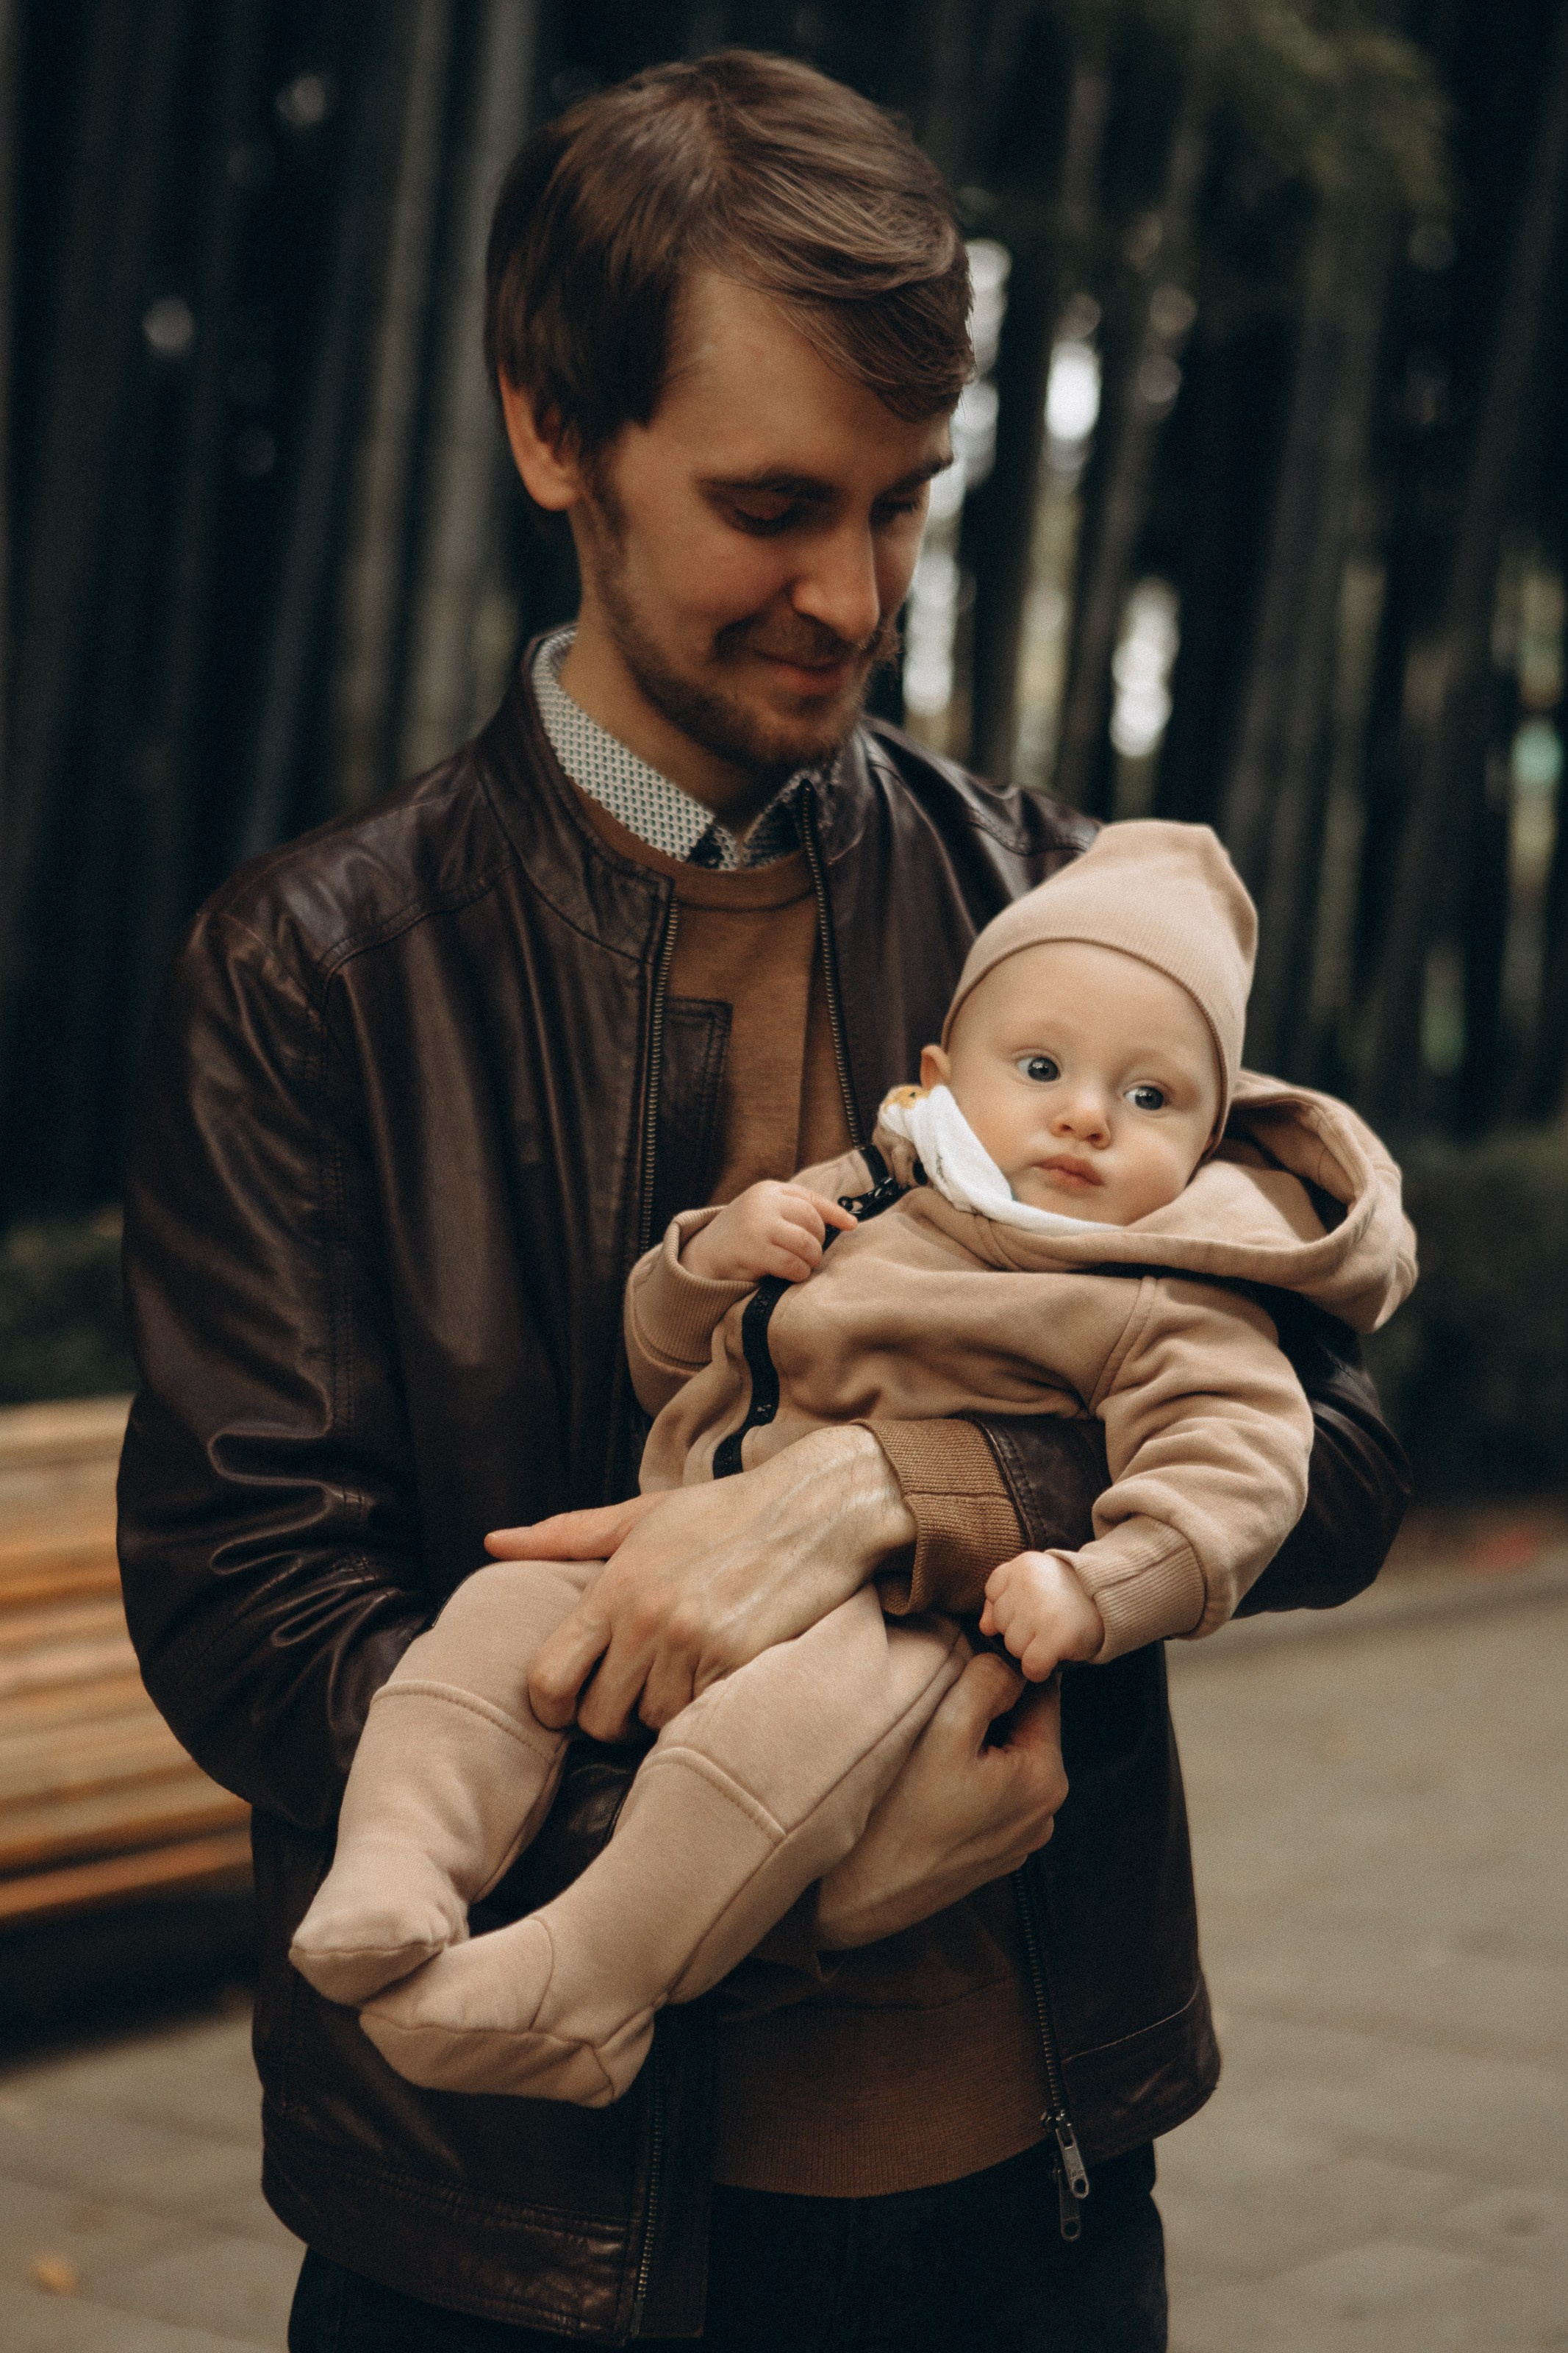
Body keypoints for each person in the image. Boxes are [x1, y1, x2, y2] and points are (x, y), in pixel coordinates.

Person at [116, 51, 1411, 2353]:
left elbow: (1332, 1448)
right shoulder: (309, 972)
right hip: (498, 2255)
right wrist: (719, 1873)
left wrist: (890, 1492)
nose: (856, 593)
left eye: (904, 506)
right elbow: (243, 1597)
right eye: (773, 504)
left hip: (1023, 2217)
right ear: (550, 433)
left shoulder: (1048, 910)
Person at [286, 821, 1415, 2112]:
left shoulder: (1167, 1291)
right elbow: (661, 1353)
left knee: (777, 1738)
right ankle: (398, 1864)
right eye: (1040, 1066)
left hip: (897, 1621)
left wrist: (1097, 1583)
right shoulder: (879, 1188)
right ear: (941, 1073)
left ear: (1212, 1137)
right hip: (675, 1533)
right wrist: (710, 1257)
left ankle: (593, 1979)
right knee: (490, 1622)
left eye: (1150, 1098)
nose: (1086, 1116)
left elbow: (1246, 1471)